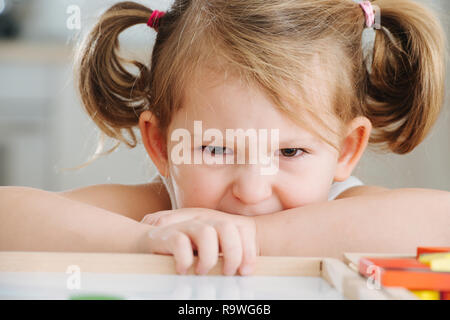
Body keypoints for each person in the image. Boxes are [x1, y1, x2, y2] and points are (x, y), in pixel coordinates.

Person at [1, 0, 449, 277]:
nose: (252, 191)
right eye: (215, 148)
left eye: (290, 151)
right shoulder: (156, 216)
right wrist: (138, 244)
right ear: (161, 145)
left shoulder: (346, 208)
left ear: (346, 150)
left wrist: (253, 237)